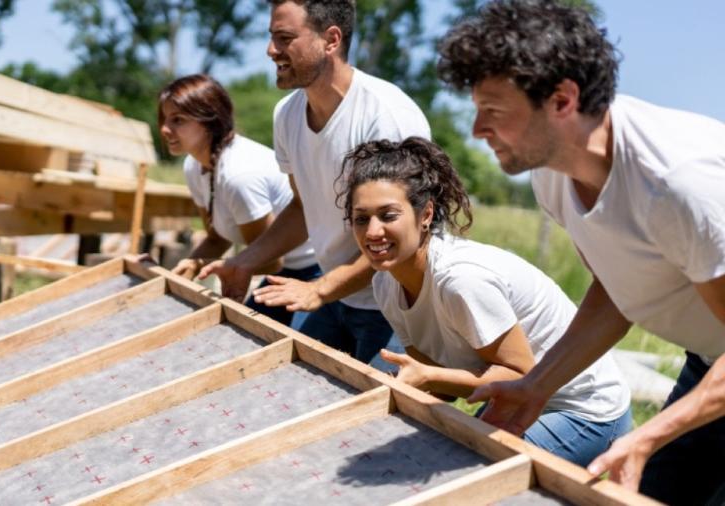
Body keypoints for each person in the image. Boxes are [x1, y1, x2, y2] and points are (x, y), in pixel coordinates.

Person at [436, 0, 725, 502]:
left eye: (494, 111)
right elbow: (615, 293)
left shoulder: (679, 184)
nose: (477, 129)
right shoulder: (553, 175)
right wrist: (537, 386)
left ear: (562, 100)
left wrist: (648, 435)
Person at [339, 136, 631, 466]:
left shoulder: (460, 280)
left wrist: (428, 379)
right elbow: (438, 382)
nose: (372, 231)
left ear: (426, 215)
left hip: (583, 408)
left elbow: (519, 377)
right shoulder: (385, 284)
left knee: (470, 474)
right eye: (361, 218)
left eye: (388, 215)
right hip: (514, 401)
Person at [198, 0, 431, 366]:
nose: (270, 50)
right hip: (335, 292)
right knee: (287, 383)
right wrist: (244, 262)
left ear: (331, 40)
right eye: (272, 37)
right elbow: (302, 206)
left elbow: (402, 234)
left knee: (377, 402)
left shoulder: (386, 116)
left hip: (397, 305)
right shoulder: (287, 114)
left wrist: (320, 289)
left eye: (285, 38)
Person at [157, 74, 320, 326]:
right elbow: (216, 238)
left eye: (177, 120)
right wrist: (188, 266)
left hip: (315, 270)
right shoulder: (194, 166)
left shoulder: (239, 176)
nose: (165, 129)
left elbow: (270, 260)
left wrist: (204, 265)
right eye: (164, 119)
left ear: (209, 120)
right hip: (282, 271)